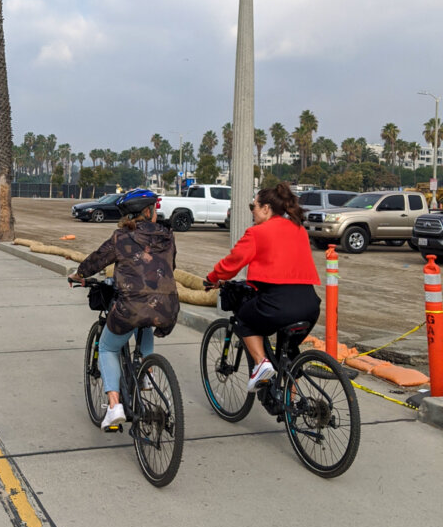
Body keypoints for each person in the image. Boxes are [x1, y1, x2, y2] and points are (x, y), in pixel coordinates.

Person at [68, 188, 179, 430]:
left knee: (108, 347)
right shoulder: (168, 236)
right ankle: (146, 375)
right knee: (146, 323)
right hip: (167, 307)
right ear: (149, 212)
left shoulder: (121, 237)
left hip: (131, 305)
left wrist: (80, 274)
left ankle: (114, 406)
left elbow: (98, 259)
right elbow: (170, 265)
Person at [204, 182, 321, 392]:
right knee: (288, 355)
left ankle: (260, 364)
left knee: (244, 319)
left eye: (253, 207)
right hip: (310, 304)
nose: (252, 212)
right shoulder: (299, 229)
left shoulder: (258, 232)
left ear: (266, 208)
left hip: (277, 303)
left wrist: (212, 278)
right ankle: (291, 406)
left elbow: (231, 264)